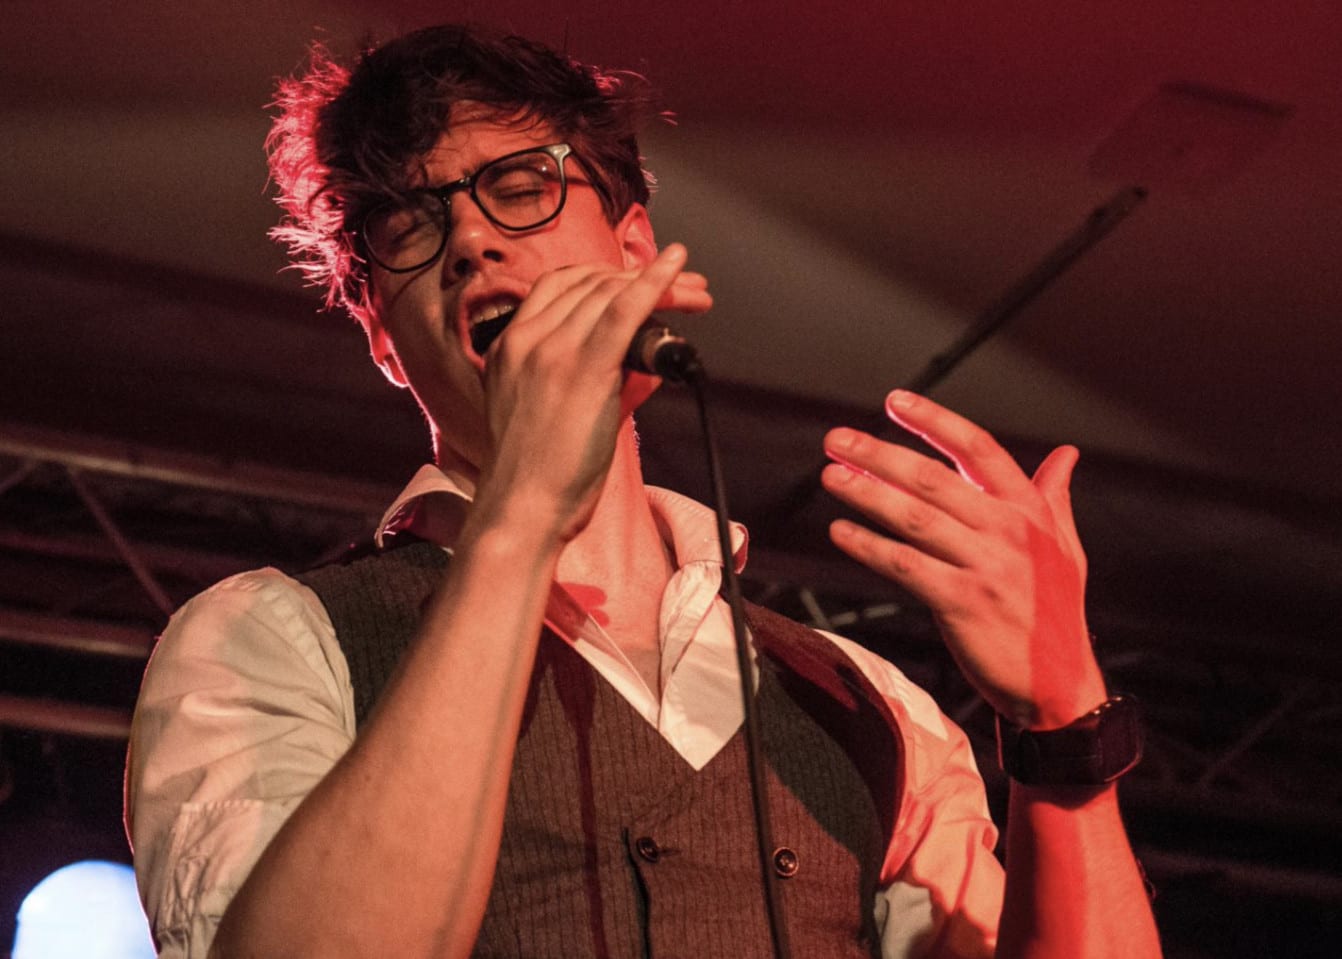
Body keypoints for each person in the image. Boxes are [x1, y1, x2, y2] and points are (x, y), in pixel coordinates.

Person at [124, 23, 1161, 959]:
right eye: (408, 224)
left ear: (632, 248)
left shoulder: (865, 703)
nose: (474, 240)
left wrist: (1064, 722)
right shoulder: (271, 640)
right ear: (380, 337)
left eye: (519, 185)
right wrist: (523, 512)